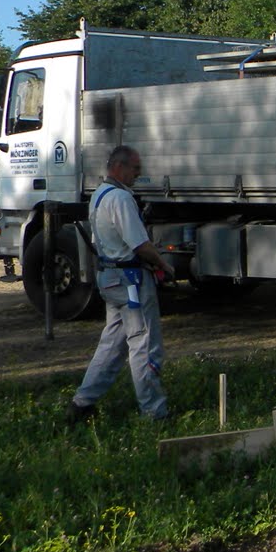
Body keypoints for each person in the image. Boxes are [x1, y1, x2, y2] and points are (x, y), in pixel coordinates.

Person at [67, 145, 175, 424]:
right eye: (135, 169)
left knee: (112, 345)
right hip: (131, 282)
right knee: (144, 344)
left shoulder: (99, 196)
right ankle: (154, 412)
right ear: (119, 167)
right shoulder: (122, 199)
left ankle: (83, 403)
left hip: (110, 278)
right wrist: (163, 264)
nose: (138, 175)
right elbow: (140, 245)